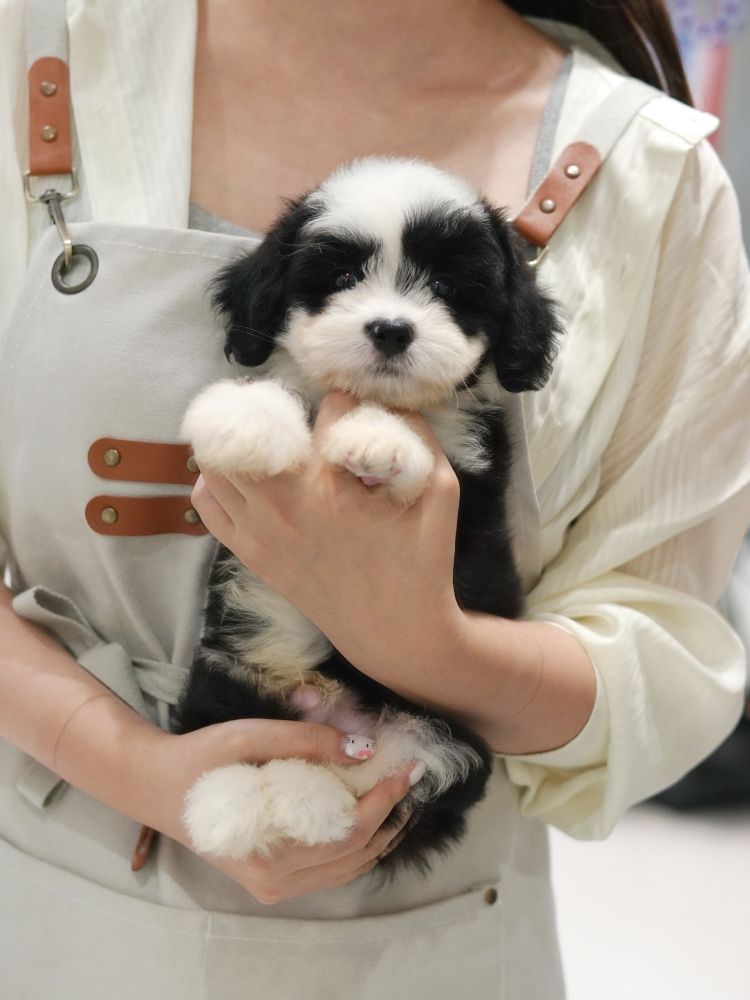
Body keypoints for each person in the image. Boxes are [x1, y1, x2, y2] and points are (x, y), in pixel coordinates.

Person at [0, 1, 748, 997]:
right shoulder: (32, 48)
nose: (393, 317)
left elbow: (668, 650)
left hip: (432, 935)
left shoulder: (657, 178)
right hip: (54, 916)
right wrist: (130, 765)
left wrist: (427, 644)